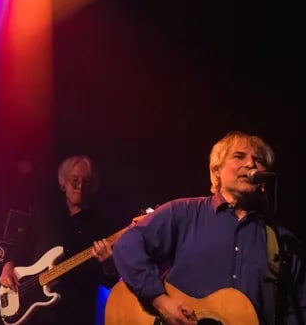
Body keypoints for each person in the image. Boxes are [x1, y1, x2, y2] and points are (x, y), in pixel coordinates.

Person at [112, 131, 306, 325]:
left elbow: (298, 306)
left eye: (259, 160)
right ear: (216, 170)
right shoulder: (183, 212)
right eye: (239, 156)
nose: (250, 164)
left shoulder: (281, 241)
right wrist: (160, 300)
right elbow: (127, 245)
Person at [0, 155, 120, 325]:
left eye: (86, 181)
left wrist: (108, 264)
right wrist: (7, 267)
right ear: (63, 182)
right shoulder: (45, 213)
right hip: (34, 313)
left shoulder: (103, 227)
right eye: (74, 180)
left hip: (74, 315)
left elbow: (110, 281)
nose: (80, 186)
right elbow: (20, 245)